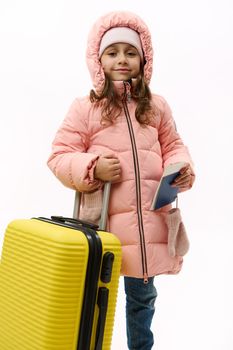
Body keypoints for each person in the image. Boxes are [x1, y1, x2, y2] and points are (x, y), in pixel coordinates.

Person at [47, 10, 195, 350]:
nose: (122, 59)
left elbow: (174, 145)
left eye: (131, 52)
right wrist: (92, 167)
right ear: (98, 61)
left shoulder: (156, 106)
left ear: (144, 60)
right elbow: (58, 155)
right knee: (97, 303)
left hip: (148, 229)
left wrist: (181, 166)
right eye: (112, 52)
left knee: (143, 301)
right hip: (103, 229)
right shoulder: (85, 108)